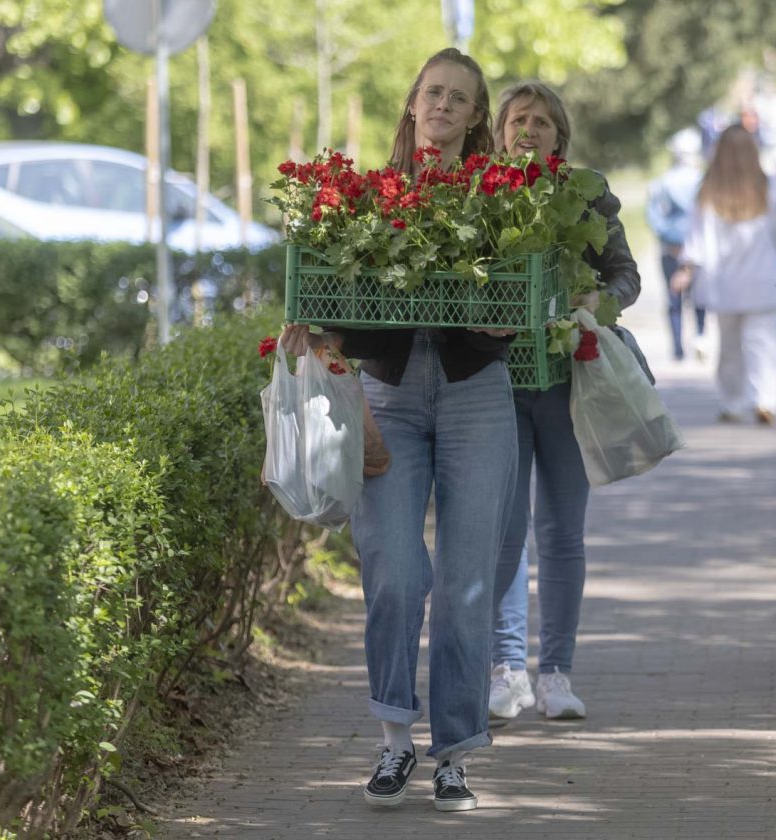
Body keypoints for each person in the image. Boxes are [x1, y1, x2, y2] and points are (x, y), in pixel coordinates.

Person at [279, 47, 514, 814]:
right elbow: (334, 297)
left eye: (459, 99)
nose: (442, 106)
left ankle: (454, 753)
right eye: (432, 93)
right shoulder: (366, 197)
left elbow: (517, 301)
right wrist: (313, 333)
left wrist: (500, 313)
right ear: (413, 105)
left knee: (465, 583)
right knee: (394, 573)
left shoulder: (498, 195)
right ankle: (392, 740)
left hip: (475, 393)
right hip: (384, 400)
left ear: (477, 118)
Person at [486, 80, 640, 725]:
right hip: (496, 383)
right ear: (498, 133)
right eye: (518, 120)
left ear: (560, 135)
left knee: (561, 533)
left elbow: (625, 277)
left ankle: (556, 676)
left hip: (567, 384)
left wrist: (592, 304)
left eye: (543, 122)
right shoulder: (479, 198)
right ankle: (506, 673)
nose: (529, 130)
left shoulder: (588, 194)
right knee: (504, 532)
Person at [672, 124, 776, 425]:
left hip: (723, 282)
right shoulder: (769, 189)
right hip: (763, 277)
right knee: (763, 342)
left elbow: (695, 241)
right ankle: (766, 399)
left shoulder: (708, 191)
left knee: (728, 346)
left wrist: (687, 268)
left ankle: (733, 401)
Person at [646, 129, 706, 361]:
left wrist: (671, 240)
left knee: (673, 298)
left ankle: (678, 348)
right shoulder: (702, 181)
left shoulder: (663, 182)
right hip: (698, 249)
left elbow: (654, 216)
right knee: (699, 297)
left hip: (669, 249)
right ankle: (701, 337)